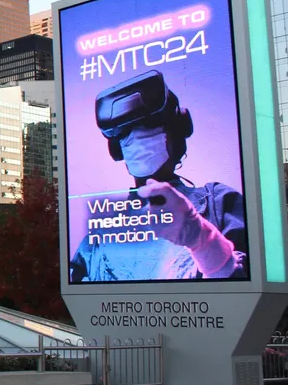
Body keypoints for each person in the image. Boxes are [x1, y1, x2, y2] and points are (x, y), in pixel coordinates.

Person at [70, 70, 246, 282]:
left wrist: (202, 240)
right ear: (117, 150)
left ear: (178, 134)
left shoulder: (219, 202)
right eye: (127, 132)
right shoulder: (100, 237)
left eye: (151, 125)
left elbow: (242, 286)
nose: (139, 136)